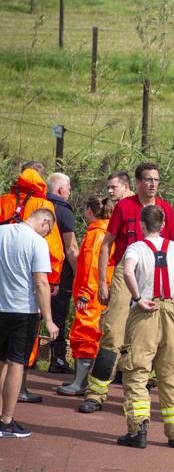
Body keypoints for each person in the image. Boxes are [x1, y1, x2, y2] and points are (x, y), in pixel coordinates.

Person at [79, 163, 174, 414]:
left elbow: (172, 248)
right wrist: (103, 281)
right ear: (138, 182)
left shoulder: (166, 209)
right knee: (113, 332)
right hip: (126, 271)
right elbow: (106, 245)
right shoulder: (125, 206)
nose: (153, 184)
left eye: (156, 179)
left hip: (155, 272)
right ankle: (96, 393)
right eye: (148, 179)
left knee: (151, 335)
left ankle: (138, 392)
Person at [117, 205, 174, 449]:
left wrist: (137, 297)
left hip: (145, 312)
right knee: (171, 374)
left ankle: (138, 430)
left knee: (137, 372)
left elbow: (129, 271)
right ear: (162, 224)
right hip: (169, 312)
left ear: (141, 225)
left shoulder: (136, 247)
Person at [1, 167, 64, 404]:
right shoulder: (42, 206)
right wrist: (54, 279)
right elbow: (55, 249)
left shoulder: (4, 201)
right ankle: (10, 410)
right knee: (17, 358)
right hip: (23, 300)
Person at [0, 209, 59, 437]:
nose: (46, 235)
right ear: (45, 221)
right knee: (16, 363)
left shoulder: (2, 231)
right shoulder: (37, 242)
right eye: (49, 230)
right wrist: (50, 319)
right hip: (22, 310)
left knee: (1, 362)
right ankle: (6, 420)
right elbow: (41, 282)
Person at [57, 196, 115, 396]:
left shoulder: (96, 234)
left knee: (85, 335)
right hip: (101, 293)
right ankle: (84, 381)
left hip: (91, 295)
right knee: (95, 335)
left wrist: (84, 293)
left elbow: (92, 266)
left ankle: (80, 382)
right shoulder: (108, 230)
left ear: (90, 211)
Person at [46, 173, 80, 374]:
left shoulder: (38, 205)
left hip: (36, 270)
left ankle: (28, 358)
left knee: (36, 313)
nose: (70, 191)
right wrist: (78, 273)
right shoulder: (64, 211)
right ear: (60, 190)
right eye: (68, 187)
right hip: (59, 272)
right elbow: (71, 247)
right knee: (58, 313)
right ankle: (57, 358)